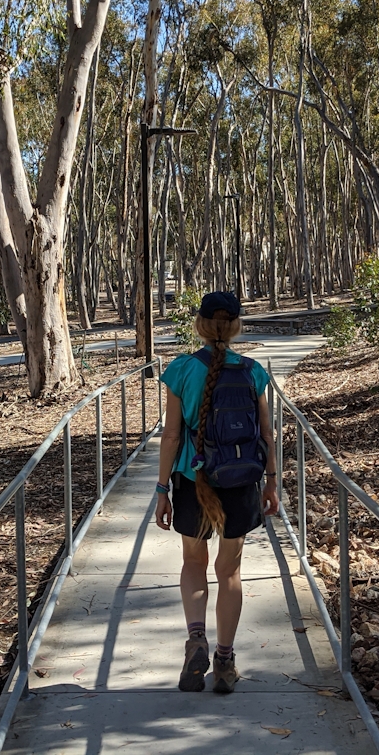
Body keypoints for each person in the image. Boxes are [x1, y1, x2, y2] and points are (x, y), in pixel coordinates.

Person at [154, 291, 279, 693]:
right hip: (241, 481)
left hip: (193, 481)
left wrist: (161, 489)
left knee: (194, 561)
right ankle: (224, 661)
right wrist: (273, 479)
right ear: (237, 326)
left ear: (201, 325)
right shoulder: (253, 371)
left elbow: (172, 436)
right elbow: (265, 432)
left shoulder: (182, 370)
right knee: (230, 571)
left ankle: (196, 638)